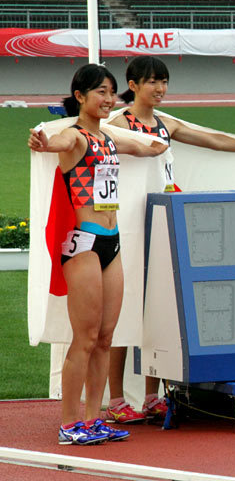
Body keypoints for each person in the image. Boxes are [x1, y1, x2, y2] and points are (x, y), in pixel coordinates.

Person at [102, 55, 235, 424]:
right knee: (125, 310)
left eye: (164, 81)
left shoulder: (166, 122)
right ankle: (117, 399)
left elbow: (212, 140)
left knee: (158, 309)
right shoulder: (115, 124)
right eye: (153, 81)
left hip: (163, 218)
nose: (160, 88)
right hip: (130, 222)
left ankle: (152, 395)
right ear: (133, 85)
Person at [28, 64, 167, 444]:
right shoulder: (73, 138)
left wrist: (161, 143)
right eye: (101, 93)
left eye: (111, 92)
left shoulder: (108, 137)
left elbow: (144, 145)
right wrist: (42, 142)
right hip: (84, 243)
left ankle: (93, 419)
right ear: (80, 97)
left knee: (106, 337)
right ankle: (69, 423)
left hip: (113, 242)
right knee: (85, 338)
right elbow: (54, 143)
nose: (108, 99)